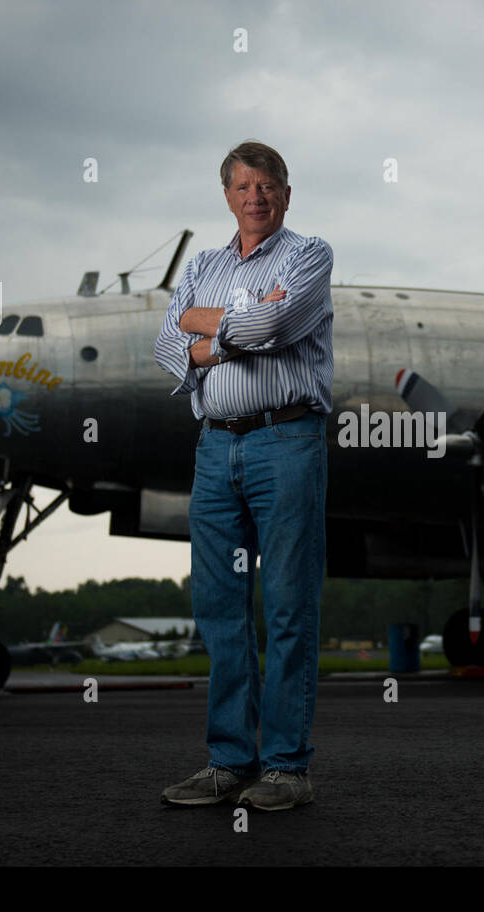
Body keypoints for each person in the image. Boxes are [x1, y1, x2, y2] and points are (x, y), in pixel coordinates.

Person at [153, 141, 334, 811]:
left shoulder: (310, 254)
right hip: (214, 448)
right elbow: (166, 342)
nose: (255, 196)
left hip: (287, 440)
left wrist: (207, 328)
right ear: (227, 195)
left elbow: (280, 322)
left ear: (286, 193)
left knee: (287, 605)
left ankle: (286, 765)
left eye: (268, 185)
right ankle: (230, 761)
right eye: (243, 186)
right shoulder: (203, 262)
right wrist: (237, 326)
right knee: (220, 610)